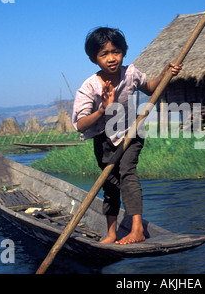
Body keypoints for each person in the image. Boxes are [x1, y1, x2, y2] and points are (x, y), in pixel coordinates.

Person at [72, 27, 182, 245]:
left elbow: (150, 89)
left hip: (131, 133)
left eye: (116, 52)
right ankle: (112, 233)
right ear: (94, 59)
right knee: (110, 184)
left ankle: (137, 229)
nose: (111, 58)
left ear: (123, 52)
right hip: (103, 139)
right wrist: (103, 109)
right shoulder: (90, 87)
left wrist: (165, 73)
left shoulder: (130, 73)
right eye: (104, 54)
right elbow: (80, 125)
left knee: (127, 172)